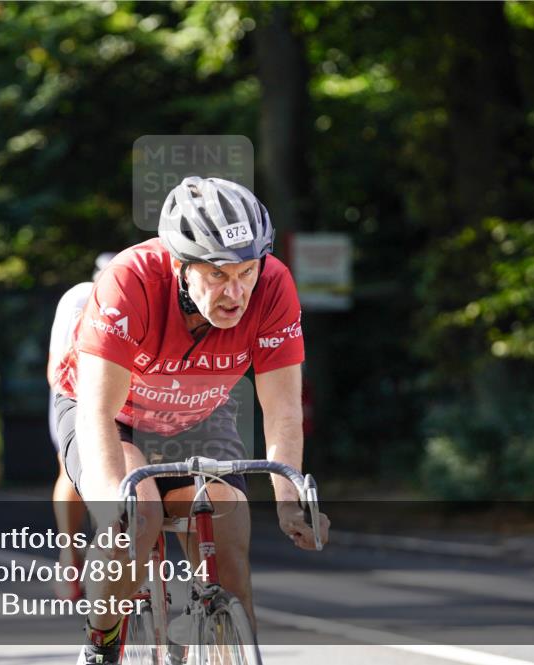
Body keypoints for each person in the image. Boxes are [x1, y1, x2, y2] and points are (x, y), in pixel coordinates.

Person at [50, 176, 331, 665]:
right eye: (219, 275)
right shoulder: (131, 279)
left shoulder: (274, 285)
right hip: (113, 413)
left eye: (246, 272)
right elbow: (97, 411)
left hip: (199, 410)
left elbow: (282, 407)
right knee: (135, 520)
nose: (236, 292)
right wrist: (113, 508)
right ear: (180, 265)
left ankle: (214, 634)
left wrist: (290, 502)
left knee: (229, 545)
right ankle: (101, 640)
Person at [46, 252, 115, 601]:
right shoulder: (79, 297)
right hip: (74, 388)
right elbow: (56, 368)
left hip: (125, 395)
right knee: (70, 468)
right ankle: (69, 555)